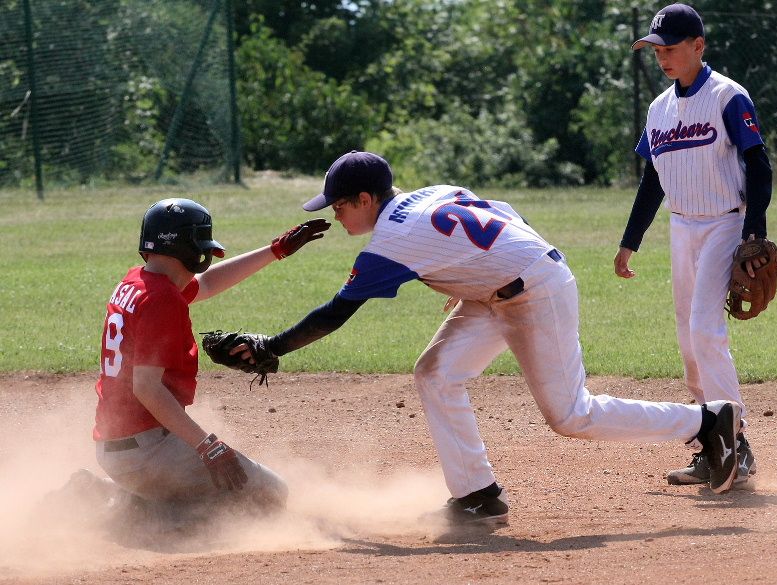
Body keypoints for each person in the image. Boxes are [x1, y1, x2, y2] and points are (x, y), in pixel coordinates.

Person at [232, 150, 743, 528]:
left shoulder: (390, 241)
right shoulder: (429, 194)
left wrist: (271, 348)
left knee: (570, 415)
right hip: (498, 289)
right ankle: (478, 494)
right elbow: (502, 210)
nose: (336, 214)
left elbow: (335, 314)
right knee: (435, 374)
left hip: (537, 293)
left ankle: (707, 420)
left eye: (340, 205)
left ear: (366, 199)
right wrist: (479, 271)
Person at [91, 197, 329, 519]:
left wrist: (275, 251)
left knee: (224, 492)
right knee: (268, 495)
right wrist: (208, 446)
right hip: (147, 453)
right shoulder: (162, 300)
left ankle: (127, 498)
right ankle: (123, 510)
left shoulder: (140, 282)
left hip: (118, 447)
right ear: (187, 246)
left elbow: (207, 283)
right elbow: (146, 388)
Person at [615, 3, 771, 487]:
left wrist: (754, 231)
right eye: (656, 49)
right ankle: (711, 444)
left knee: (706, 331)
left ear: (698, 46)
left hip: (726, 222)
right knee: (689, 342)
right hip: (681, 228)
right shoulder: (658, 109)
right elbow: (652, 181)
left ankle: (738, 444)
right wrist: (629, 242)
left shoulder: (728, 95)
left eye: (671, 47)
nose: (662, 56)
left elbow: (760, 165)